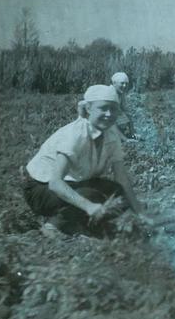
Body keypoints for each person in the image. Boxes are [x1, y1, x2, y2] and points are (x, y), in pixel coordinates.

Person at [23, 84, 145, 235]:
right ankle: (53, 225)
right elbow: (55, 183)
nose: (109, 114)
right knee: (91, 196)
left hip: (72, 182)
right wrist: (89, 206)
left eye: (113, 109)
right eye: (103, 108)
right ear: (89, 109)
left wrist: (140, 212)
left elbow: (122, 179)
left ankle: (88, 222)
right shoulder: (76, 134)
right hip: (40, 188)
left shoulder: (111, 136)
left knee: (116, 191)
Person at [111, 71, 136, 139]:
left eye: (126, 83)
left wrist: (132, 133)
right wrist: (125, 139)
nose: (124, 86)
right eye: (122, 83)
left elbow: (126, 111)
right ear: (114, 83)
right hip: (104, 123)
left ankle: (128, 135)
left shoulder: (120, 93)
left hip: (114, 118)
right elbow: (110, 121)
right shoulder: (110, 95)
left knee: (125, 116)